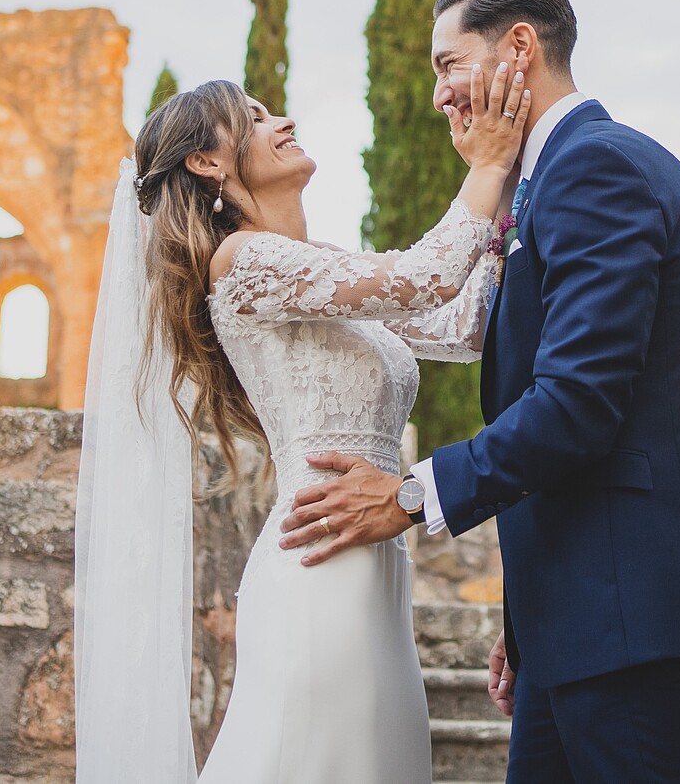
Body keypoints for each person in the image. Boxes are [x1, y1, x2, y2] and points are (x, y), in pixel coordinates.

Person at [282, 0, 680, 783]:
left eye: (448, 65)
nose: (439, 95)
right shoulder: (547, 182)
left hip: (621, 604)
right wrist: (528, 612)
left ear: (518, 47)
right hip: (574, 609)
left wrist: (407, 496)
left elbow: (576, 405)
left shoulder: (596, 168)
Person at [73, 65, 529, 783]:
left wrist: (514, 204)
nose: (280, 121)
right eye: (253, 118)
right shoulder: (243, 262)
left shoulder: (323, 269)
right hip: (317, 570)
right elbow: (430, 275)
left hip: (376, 570)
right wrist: (491, 161)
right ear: (206, 161)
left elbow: (463, 324)